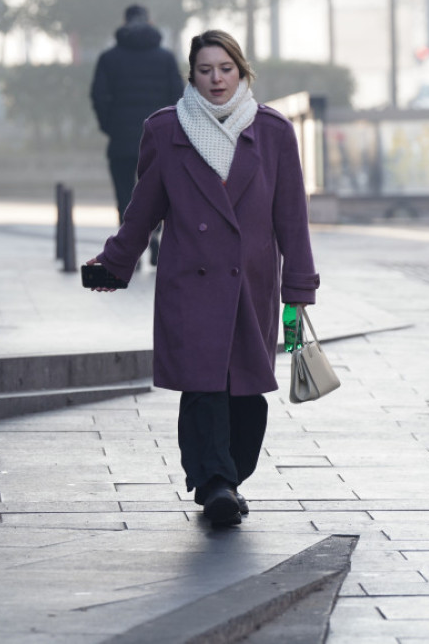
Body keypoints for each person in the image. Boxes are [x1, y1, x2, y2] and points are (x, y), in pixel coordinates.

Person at [88, 30, 320, 527]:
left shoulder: (273, 132)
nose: (216, 79)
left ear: (242, 72)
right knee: (203, 387)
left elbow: (291, 219)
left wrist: (298, 289)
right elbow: (144, 207)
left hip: (250, 283)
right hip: (189, 284)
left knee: (247, 396)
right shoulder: (167, 129)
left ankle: (229, 478)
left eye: (225, 69)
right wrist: (116, 261)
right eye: (205, 70)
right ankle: (214, 482)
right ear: (191, 75)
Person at [90, 4, 184, 265]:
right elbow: (178, 97)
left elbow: (98, 97)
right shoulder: (165, 58)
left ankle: (129, 245)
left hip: (121, 139)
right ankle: (155, 235)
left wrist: (110, 126)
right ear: (150, 22)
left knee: (125, 194)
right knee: (159, 191)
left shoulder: (109, 58)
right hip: (161, 140)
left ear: (124, 22)